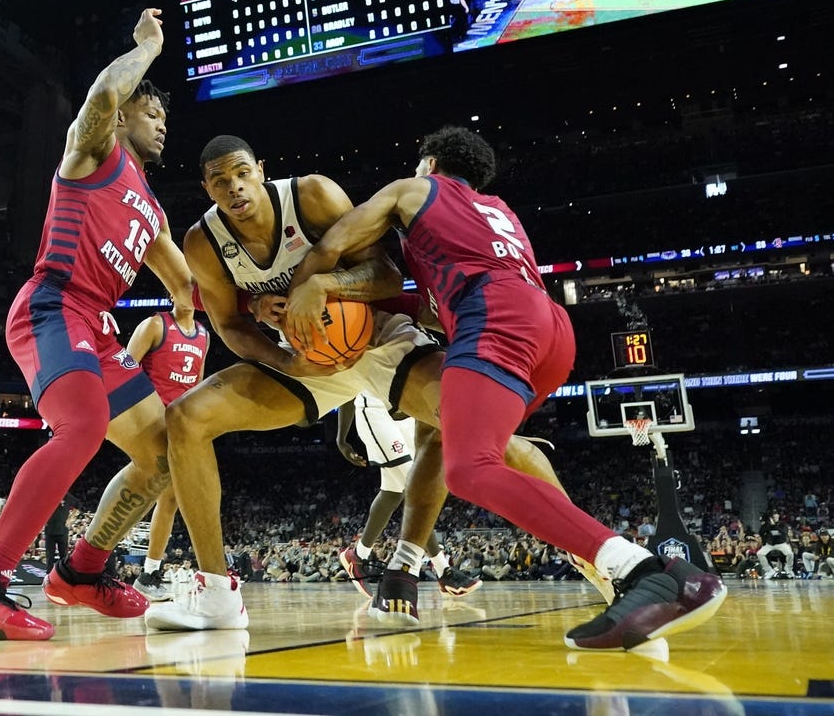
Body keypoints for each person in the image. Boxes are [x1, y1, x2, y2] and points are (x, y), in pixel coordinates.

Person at [284, 125, 726, 651]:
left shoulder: (411, 189)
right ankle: (407, 568)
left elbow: (335, 242)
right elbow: (431, 308)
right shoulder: (499, 211)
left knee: (472, 468)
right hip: (550, 330)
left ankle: (646, 572)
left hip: (496, 320)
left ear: (429, 163)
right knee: (443, 433)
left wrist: (306, 292)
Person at [144, 134, 575, 632]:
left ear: (260, 170)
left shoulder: (311, 196)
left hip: (376, 337)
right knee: (185, 419)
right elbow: (229, 326)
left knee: (483, 439)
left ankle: (605, 559)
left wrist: (327, 285)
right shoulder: (203, 241)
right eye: (220, 181)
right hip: (308, 360)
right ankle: (217, 594)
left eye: (242, 173)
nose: (234, 187)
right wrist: (285, 362)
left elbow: (387, 275)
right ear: (207, 188)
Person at [0, 7, 195, 641]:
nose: (163, 124)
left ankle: (82, 572)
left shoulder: (151, 207)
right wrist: (147, 51)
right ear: (129, 113)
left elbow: (187, 287)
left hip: (97, 326)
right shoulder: (94, 150)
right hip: (54, 304)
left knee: (165, 453)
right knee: (83, 426)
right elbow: (105, 93)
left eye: (165, 118)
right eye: (153, 112)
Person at [336, 391, 478, 598]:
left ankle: (358, 555)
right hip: (376, 412)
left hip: (408, 413)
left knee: (392, 493)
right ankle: (443, 570)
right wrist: (341, 437)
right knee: (417, 488)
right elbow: (347, 385)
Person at [125, 303, 210, 602]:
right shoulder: (155, 325)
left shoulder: (203, 334)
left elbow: (197, 386)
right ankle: (97, 560)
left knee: (169, 498)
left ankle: (149, 573)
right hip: (150, 421)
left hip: (179, 426)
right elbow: (123, 368)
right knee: (143, 492)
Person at [756, 509, 794, 579]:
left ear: (778, 516)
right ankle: (769, 570)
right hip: (770, 545)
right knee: (759, 553)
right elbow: (761, 533)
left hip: (781, 544)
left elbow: (784, 532)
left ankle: (788, 569)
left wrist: (774, 525)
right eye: (773, 516)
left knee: (790, 554)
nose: (774, 517)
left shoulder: (783, 524)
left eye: (776, 515)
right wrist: (764, 524)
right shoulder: (767, 525)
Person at [44, 499, 71, 573]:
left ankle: (64, 573)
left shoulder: (68, 498)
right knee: (50, 555)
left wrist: (70, 519)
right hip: (50, 531)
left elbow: (77, 506)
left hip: (62, 532)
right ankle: (48, 573)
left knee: (63, 555)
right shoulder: (49, 499)